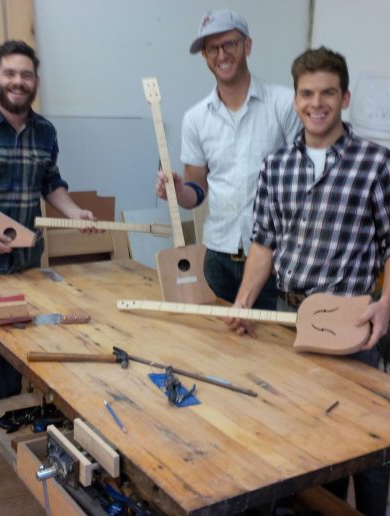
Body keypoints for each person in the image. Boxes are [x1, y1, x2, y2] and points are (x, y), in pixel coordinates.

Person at [227, 46, 390, 516]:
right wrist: (242, 303)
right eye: (307, 93)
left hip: (351, 324)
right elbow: (263, 245)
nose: (316, 103)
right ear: (295, 99)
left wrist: (386, 303)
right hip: (286, 319)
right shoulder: (276, 166)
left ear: (345, 98)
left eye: (327, 93)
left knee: (358, 440)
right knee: (295, 434)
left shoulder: (375, 164)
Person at [156, 9, 301, 310]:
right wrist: (178, 191)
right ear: (205, 57)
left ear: (247, 46)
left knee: (270, 350)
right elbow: (197, 189)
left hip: (272, 257)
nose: (221, 55)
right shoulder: (196, 119)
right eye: (212, 48)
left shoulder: (285, 104)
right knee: (218, 347)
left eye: (229, 44)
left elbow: (306, 181)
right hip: (218, 255)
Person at [0, 40, 98, 400]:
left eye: (25, 74)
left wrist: (73, 212)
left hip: (26, 262)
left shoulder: (46, 132)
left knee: (16, 347)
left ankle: (5, 411)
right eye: (10, 73)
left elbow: (51, 182)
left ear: (36, 81)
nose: (17, 81)